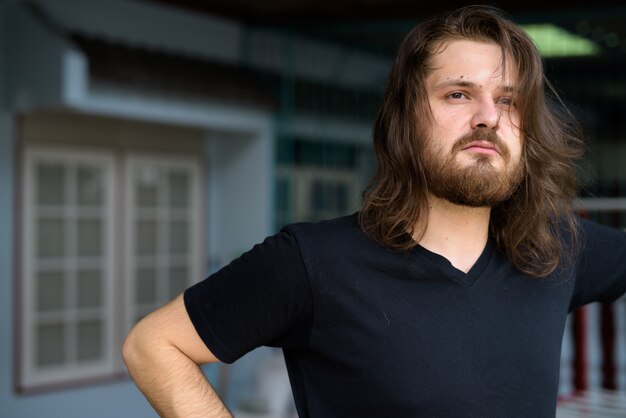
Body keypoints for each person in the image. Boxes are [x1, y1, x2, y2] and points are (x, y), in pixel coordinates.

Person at [122, 5, 626, 418]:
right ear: (406, 119)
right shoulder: (313, 262)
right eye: (458, 94)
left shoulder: (556, 248)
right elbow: (153, 345)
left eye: (509, 101)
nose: (488, 117)